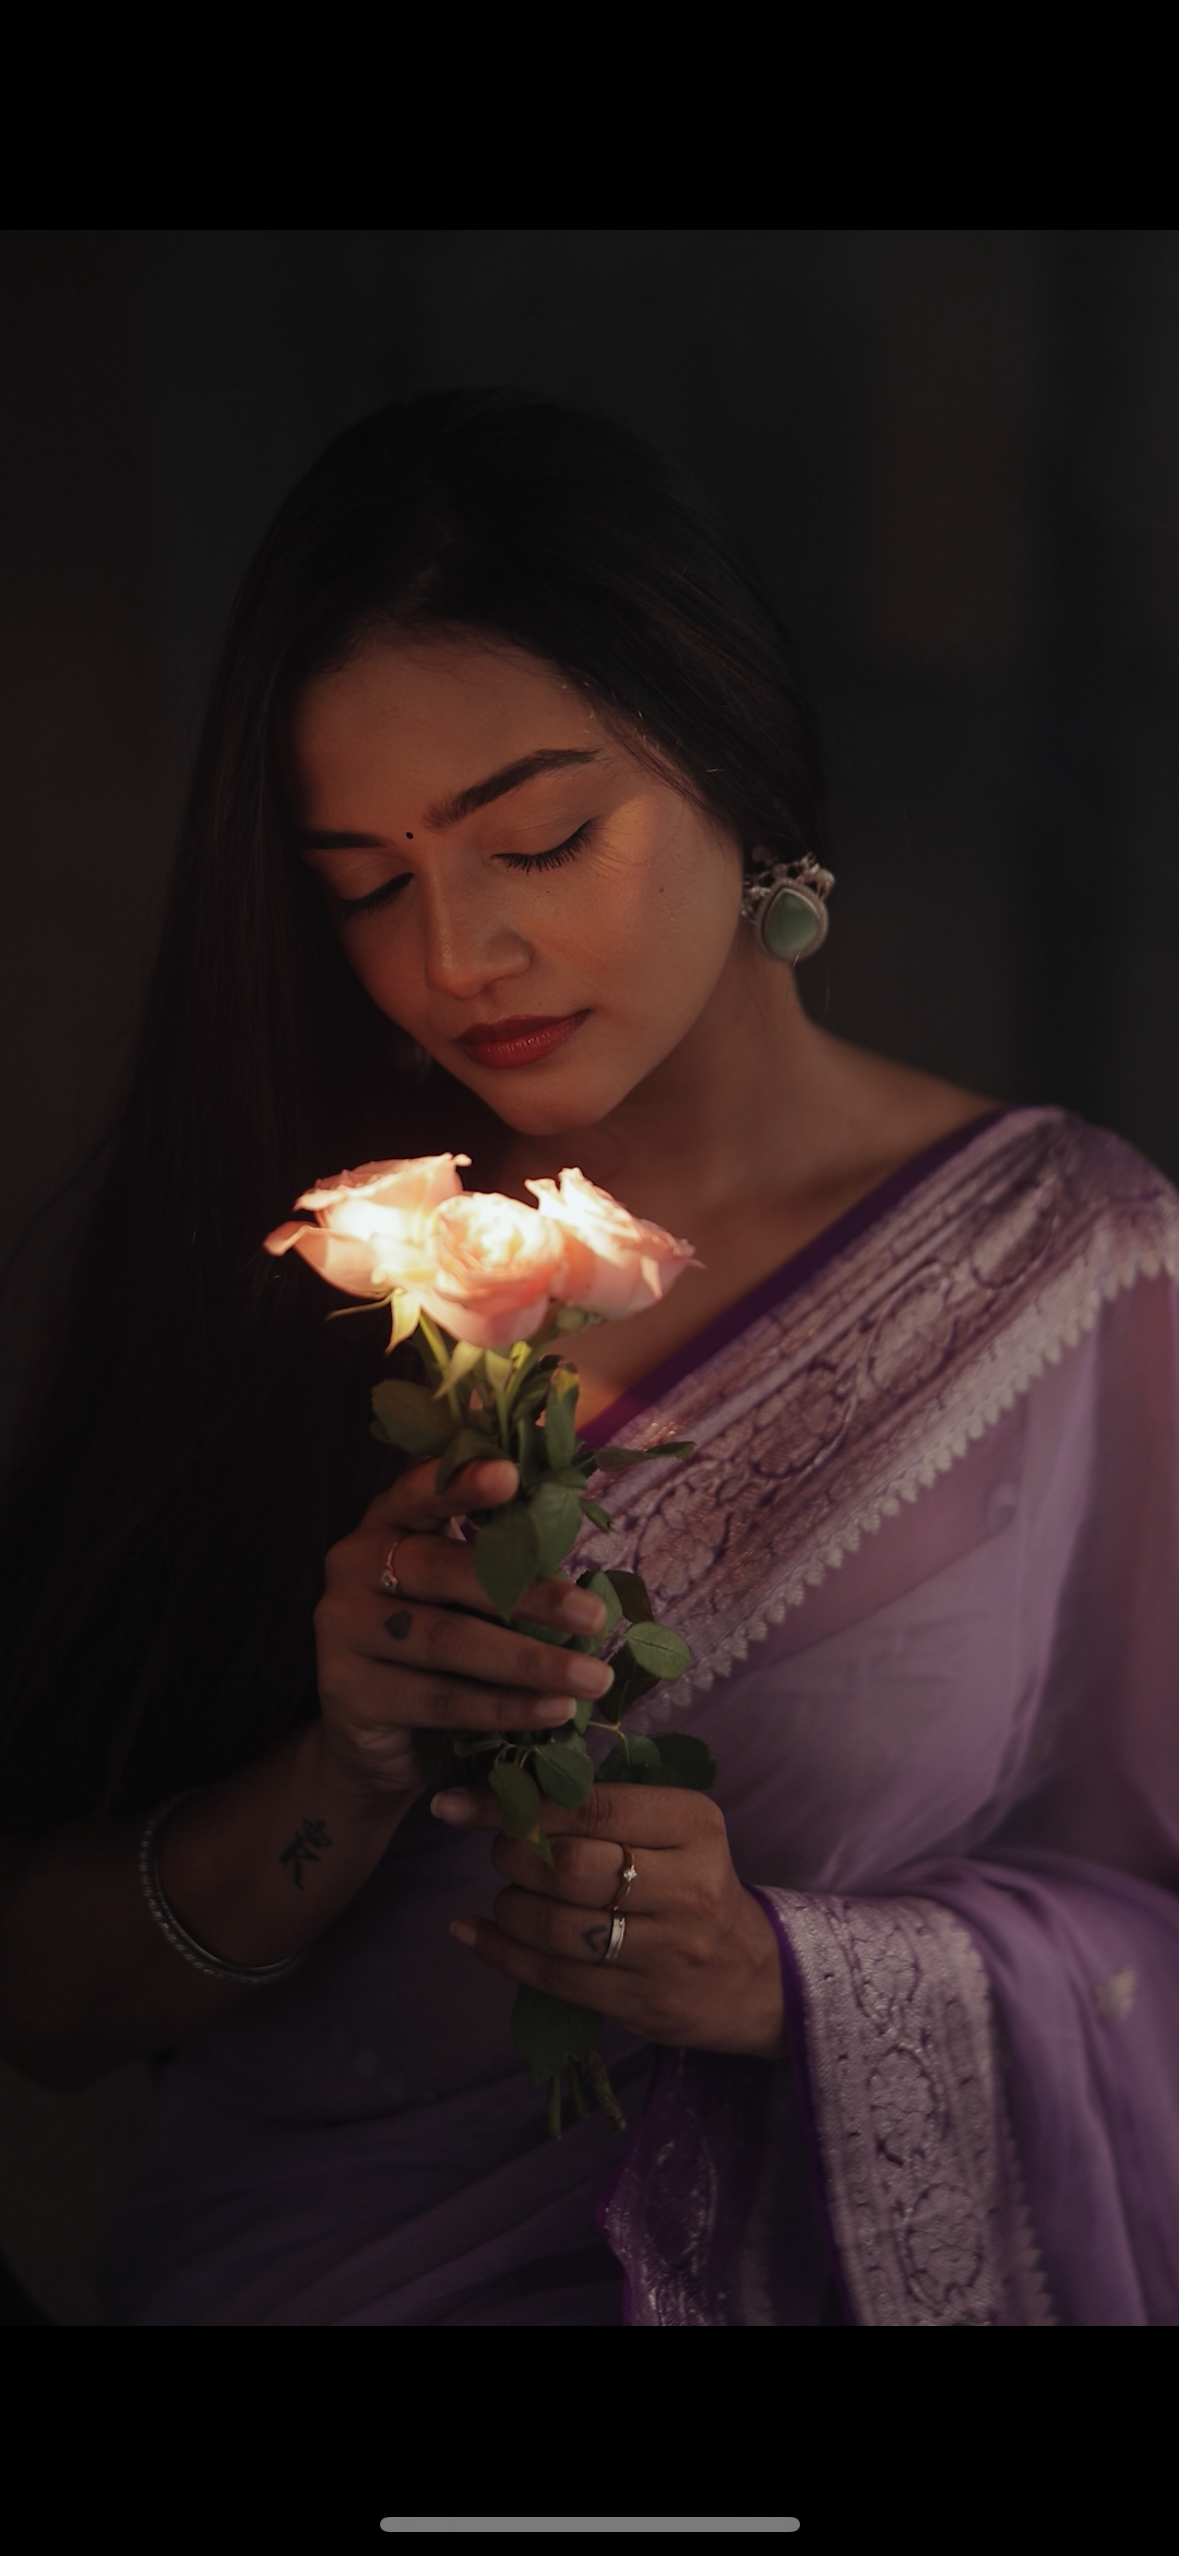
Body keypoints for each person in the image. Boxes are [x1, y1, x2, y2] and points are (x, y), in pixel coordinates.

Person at [2, 390, 1177, 2327]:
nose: (459, 951)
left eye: (538, 839)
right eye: (369, 885)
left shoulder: (1073, 1274)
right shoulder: (327, 1268)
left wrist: (779, 1979)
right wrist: (347, 1772)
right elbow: (38, 2004)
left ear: (732, 757)